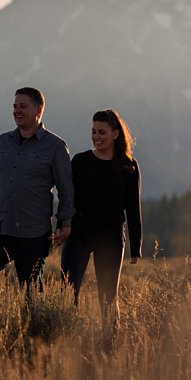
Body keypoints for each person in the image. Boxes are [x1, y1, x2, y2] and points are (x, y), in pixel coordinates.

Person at [0, 87, 75, 293]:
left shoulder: (55, 147)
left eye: (23, 106)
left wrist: (65, 224)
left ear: (38, 110)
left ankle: (34, 326)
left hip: (33, 235)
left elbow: (66, 190)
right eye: (14, 106)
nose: (17, 111)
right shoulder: (3, 142)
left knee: (31, 296)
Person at [60, 109, 142, 313]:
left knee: (108, 299)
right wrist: (62, 226)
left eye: (102, 132)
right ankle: (65, 338)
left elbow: (133, 207)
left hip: (111, 238)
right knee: (67, 292)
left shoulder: (128, 166)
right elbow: (66, 198)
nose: (96, 137)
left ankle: (109, 343)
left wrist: (136, 246)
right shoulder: (80, 161)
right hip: (79, 234)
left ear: (115, 134)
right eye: (93, 132)